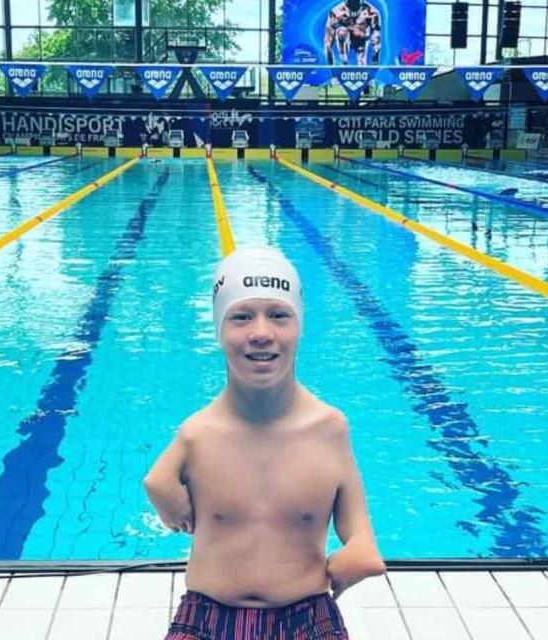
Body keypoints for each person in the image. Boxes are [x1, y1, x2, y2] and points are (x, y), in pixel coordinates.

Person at [143, 246, 386, 640]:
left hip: (307, 617)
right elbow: (156, 481)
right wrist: (160, 488)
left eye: (278, 315)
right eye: (241, 316)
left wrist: (359, 553)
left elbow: (361, 536)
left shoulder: (330, 429)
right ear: (220, 330)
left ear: (299, 326)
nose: (260, 333)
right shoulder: (197, 433)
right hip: (206, 616)